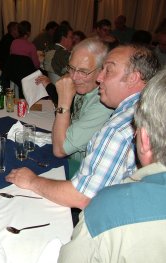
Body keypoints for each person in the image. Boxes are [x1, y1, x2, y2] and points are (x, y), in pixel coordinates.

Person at [5, 44, 160, 211]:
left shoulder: (120, 128)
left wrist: (32, 181)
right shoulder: (148, 107)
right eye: (71, 68)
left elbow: (82, 196)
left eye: (108, 70)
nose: (100, 77)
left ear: (133, 78)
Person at [58, 68, 166, 263]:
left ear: (144, 139)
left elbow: (61, 149)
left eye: (108, 70)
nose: (100, 78)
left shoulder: (112, 207)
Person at [39, 38, 113, 162]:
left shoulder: (104, 103)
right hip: (71, 159)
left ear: (102, 71)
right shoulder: (85, 87)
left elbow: (60, 150)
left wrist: (63, 103)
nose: (73, 77)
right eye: (71, 68)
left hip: (83, 169)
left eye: (83, 71)